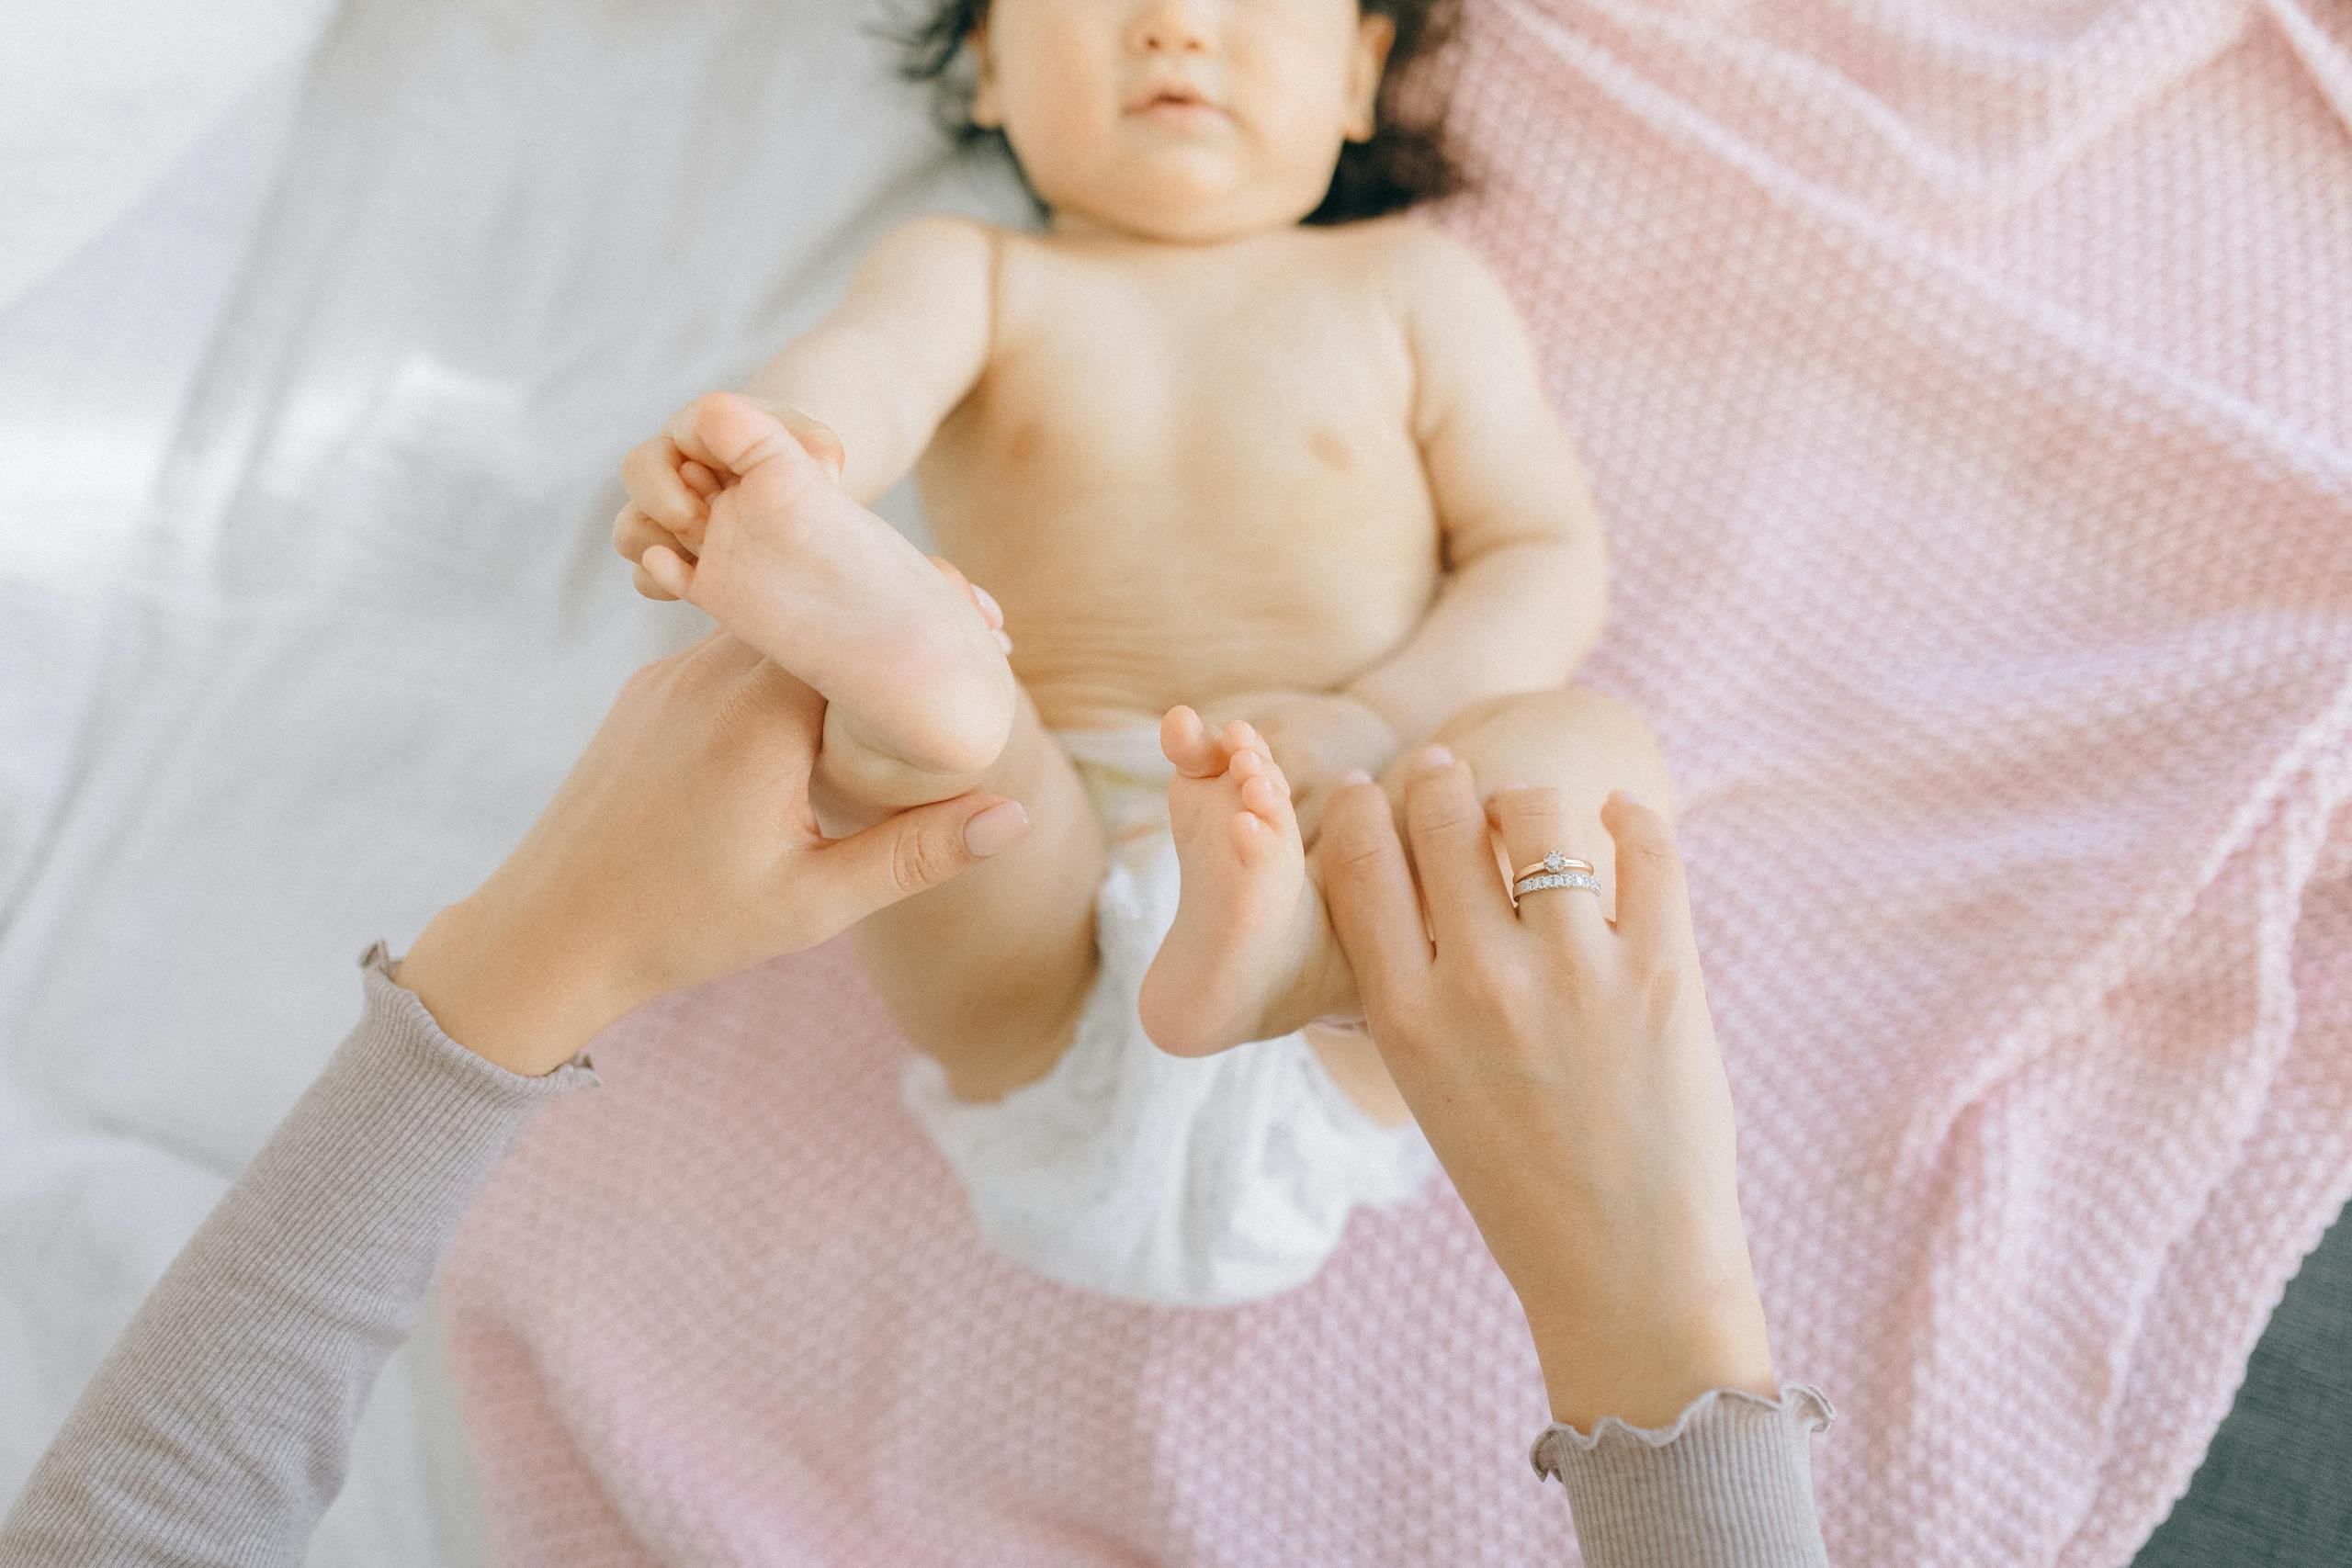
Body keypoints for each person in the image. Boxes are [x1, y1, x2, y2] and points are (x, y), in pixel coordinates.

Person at [0, 628, 1829, 1567]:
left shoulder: (1390, 286)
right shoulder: (992, 275)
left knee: (959, 763)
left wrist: (528, 954)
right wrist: (1654, 1315)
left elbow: (140, 1526)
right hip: (1176, 903)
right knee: (1544, 772)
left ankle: (929, 680)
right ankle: (981, 730)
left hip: (1202, 869)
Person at [608, 0, 1628, 1309]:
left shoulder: (1409, 284)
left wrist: (1382, 721)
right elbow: (869, 367)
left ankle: (1270, 942)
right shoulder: (978, 271)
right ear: (986, 63)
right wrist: (787, 458)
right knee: (939, 727)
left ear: (1361, 74)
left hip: (1357, 911)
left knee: (1577, 753)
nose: (1174, 27)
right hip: (1042, 870)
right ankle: (912, 678)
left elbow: (1543, 553)